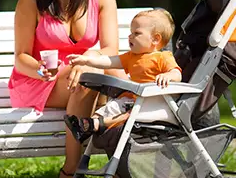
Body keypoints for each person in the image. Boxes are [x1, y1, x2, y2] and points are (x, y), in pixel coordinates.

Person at [8, 0, 120, 178]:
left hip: (87, 79)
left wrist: (87, 60)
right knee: (98, 81)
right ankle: (82, 172)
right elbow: (21, 57)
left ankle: (89, 172)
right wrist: (39, 69)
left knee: (100, 78)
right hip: (40, 80)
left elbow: (110, 51)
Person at [64, 9, 182, 154]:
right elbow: (109, 61)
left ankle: (92, 125)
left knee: (127, 114)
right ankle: (85, 127)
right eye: (131, 32)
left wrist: (169, 76)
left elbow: (177, 73)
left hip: (153, 104)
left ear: (155, 39)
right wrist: (87, 60)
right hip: (133, 100)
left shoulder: (162, 57)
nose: (130, 36)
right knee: (111, 107)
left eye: (136, 33)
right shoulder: (131, 57)